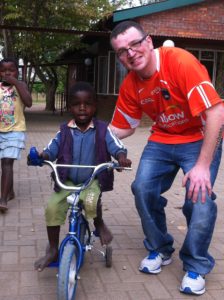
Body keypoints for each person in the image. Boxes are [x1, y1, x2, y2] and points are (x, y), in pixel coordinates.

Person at [109, 20, 224, 295]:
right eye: (122, 51)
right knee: (142, 188)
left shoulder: (180, 62)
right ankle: (160, 249)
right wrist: (89, 133)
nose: (130, 53)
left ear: (148, 42)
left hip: (199, 136)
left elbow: (216, 114)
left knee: (199, 197)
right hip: (163, 138)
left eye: (135, 44)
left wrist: (202, 166)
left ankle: (196, 263)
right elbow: (124, 126)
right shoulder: (131, 84)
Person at [33, 81, 132, 272]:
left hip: (91, 180)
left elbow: (116, 146)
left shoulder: (103, 129)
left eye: (87, 103)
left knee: (91, 201)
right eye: (77, 104)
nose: (82, 108)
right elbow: (50, 149)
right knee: (52, 207)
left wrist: (121, 157)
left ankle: (99, 223)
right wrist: (41, 156)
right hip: (67, 180)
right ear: (70, 107)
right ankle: (53, 249)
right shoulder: (63, 131)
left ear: (95, 106)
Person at [0, 57, 32, 212]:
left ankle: (3, 199)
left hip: (15, 130)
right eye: (4, 70)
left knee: (7, 162)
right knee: (4, 164)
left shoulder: (21, 86)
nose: (7, 72)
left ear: (17, 72)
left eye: (11, 70)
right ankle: (10, 191)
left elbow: (29, 102)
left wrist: (17, 83)